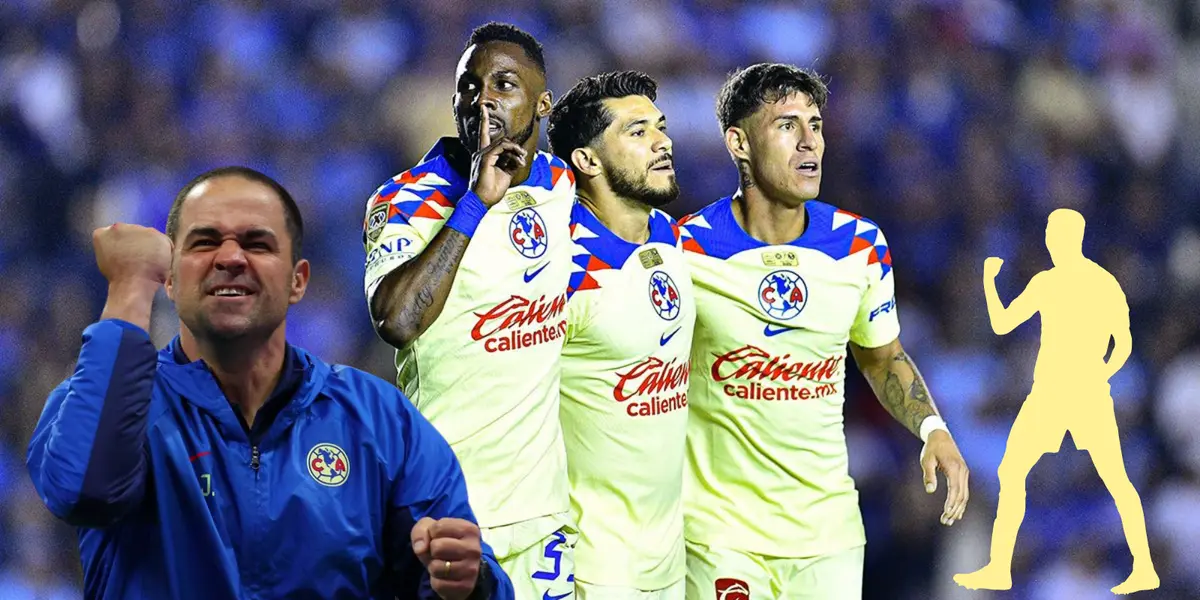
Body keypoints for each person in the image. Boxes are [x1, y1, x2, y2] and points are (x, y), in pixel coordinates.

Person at [25, 167, 513, 599]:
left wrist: (472, 585)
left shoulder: (378, 420)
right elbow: (83, 489)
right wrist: (131, 286)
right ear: (170, 281)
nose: (231, 257)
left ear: (298, 281)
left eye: (257, 243)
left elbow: (458, 570)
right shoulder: (113, 402)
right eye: (204, 241)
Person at [676, 63, 970, 599]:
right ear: (738, 143)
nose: (810, 141)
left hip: (827, 536)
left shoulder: (860, 246)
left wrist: (933, 429)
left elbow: (882, 358)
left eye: (815, 124)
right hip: (719, 534)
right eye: (787, 126)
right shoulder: (683, 251)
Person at [361, 22, 578, 600]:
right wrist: (475, 204)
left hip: (543, 520)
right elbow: (397, 321)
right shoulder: (407, 197)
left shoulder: (565, 189)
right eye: (469, 86)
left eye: (505, 83)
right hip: (447, 514)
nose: (483, 98)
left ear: (543, 104)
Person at [955, 208, 1159, 594]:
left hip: (1085, 393)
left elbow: (1124, 340)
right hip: (1049, 394)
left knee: (1117, 479)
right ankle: (1000, 566)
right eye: (1050, 235)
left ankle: (1143, 566)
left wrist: (1101, 372)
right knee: (1012, 472)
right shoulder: (1044, 282)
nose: (1052, 241)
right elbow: (1002, 324)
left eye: (1058, 234)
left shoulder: (1102, 283)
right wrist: (988, 281)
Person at [546, 71, 695, 599]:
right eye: (637, 132)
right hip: (590, 567)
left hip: (673, 560)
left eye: (660, 127)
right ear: (586, 161)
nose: (663, 142)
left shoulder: (675, 241)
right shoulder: (556, 267)